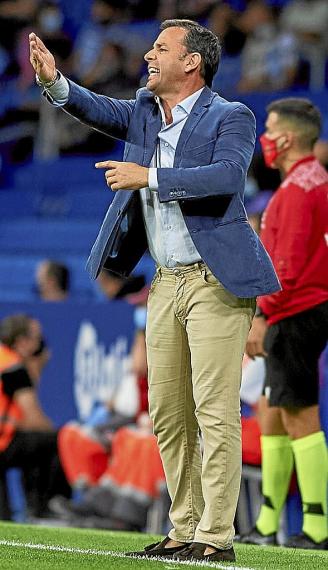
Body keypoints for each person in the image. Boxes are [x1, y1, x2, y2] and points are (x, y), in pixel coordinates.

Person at [29, 19, 279, 563]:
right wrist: (55, 83)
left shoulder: (230, 116)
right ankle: (183, 528)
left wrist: (151, 179)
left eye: (161, 47)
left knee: (213, 410)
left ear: (192, 63)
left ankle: (217, 537)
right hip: (165, 282)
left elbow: (228, 177)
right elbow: (98, 110)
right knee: (167, 411)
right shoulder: (144, 109)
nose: (148, 54)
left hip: (216, 280)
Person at [243, 98, 328, 549]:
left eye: (270, 129)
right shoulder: (315, 181)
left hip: (294, 312)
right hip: (300, 309)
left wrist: (260, 316)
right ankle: (266, 522)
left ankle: (316, 527)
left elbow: (286, 269)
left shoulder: (297, 191)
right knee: (271, 414)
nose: (265, 139)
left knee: (300, 417)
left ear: (288, 138)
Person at [0, 314, 70, 518]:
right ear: (22, 342)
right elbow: (32, 419)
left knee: (31, 446)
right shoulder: (13, 368)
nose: (41, 344)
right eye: (37, 338)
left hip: (5, 442)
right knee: (58, 440)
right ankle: (47, 506)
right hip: (2, 444)